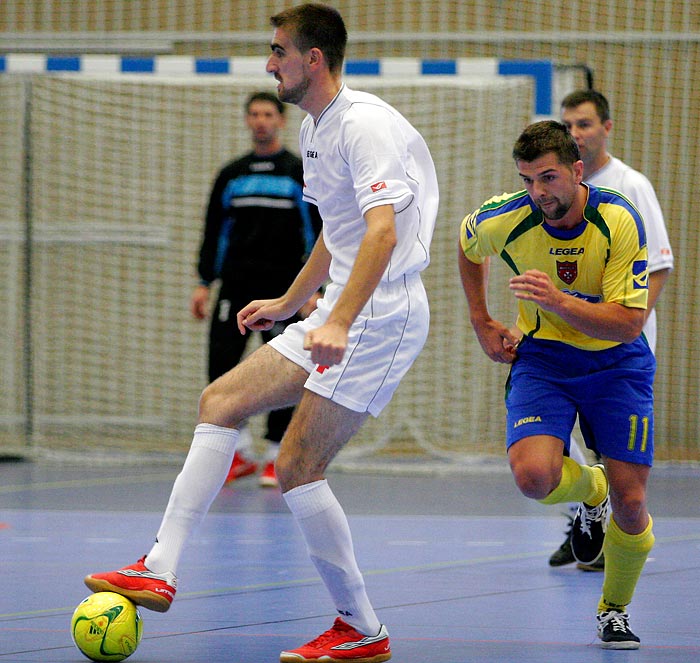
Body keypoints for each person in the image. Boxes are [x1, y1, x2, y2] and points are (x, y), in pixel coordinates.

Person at [84, 4, 439, 662]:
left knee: (297, 467)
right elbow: (342, 230)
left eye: (278, 51)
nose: (268, 63)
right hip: (342, 305)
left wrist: (336, 319)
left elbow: (384, 234)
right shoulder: (316, 130)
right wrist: (289, 301)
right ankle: (158, 566)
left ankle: (360, 624)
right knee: (220, 400)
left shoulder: (363, 125)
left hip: (382, 312)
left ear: (313, 59)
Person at [457, 120, 655, 649]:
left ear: (576, 170)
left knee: (632, 503)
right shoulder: (507, 219)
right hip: (543, 359)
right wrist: (482, 321)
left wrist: (558, 301)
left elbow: (628, 323)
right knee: (533, 478)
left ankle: (613, 609)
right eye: (527, 181)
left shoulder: (617, 219)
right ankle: (591, 490)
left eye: (548, 178)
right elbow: (467, 246)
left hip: (617, 363)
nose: (538, 192)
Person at [547, 89, 673, 570]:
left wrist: (629, 324)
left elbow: (659, 266)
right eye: (568, 125)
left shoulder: (630, 186)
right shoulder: (557, 190)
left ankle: (613, 532)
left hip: (622, 335)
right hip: (570, 334)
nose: (575, 133)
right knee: (570, 435)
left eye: (584, 124)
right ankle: (588, 514)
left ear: (606, 127)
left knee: (612, 443)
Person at [190, 90, 322, 489]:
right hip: (235, 288)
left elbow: (318, 234)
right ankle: (243, 453)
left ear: (281, 120)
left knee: (285, 370)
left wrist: (313, 291)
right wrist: (203, 283)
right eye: (254, 114)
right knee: (222, 367)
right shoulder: (231, 174)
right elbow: (215, 230)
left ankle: (277, 451)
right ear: (247, 120)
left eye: (268, 113)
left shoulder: (298, 173)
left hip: (286, 293)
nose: (261, 120)